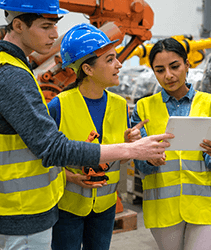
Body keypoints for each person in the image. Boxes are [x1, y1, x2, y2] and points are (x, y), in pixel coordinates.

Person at [0, 0, 173, 249]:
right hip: (24, 211)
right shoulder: (14, 75)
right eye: (46, 26)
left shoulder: (19, 68)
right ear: (18, 24)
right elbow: (53, 148)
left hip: (53, 206)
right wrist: (131, 150)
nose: (54, 34)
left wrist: (127, 147)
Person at [47, 23, 145, 250]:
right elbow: (43, 156)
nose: (119, 65)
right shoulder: (59, 105)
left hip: (105, 207)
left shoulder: (120, 105)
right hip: (67, 207)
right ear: (88, 70)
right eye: (110, 60)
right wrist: (69, 178)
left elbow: (118, 159)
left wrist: (130, 145)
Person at [131, 38, 211, 250]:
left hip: (206, 204)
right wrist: (143, 155)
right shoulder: (143, 109)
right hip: (163, 207)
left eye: (174, 66)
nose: (168, 75)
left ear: (187, 64)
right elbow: (144, 169)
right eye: (160, 70)